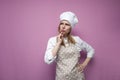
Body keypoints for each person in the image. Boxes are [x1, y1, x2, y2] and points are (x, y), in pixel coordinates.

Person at [44, 11, 95, 80]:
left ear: (70, 28)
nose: (63, 26)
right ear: (59, 26)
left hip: (77, 77)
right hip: (61, 77)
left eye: (67, 24)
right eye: (61, 23)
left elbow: (91, 50)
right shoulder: (52, 40)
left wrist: (84, 64)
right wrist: (58, 43)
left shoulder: (76, 40)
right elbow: (48, 60)